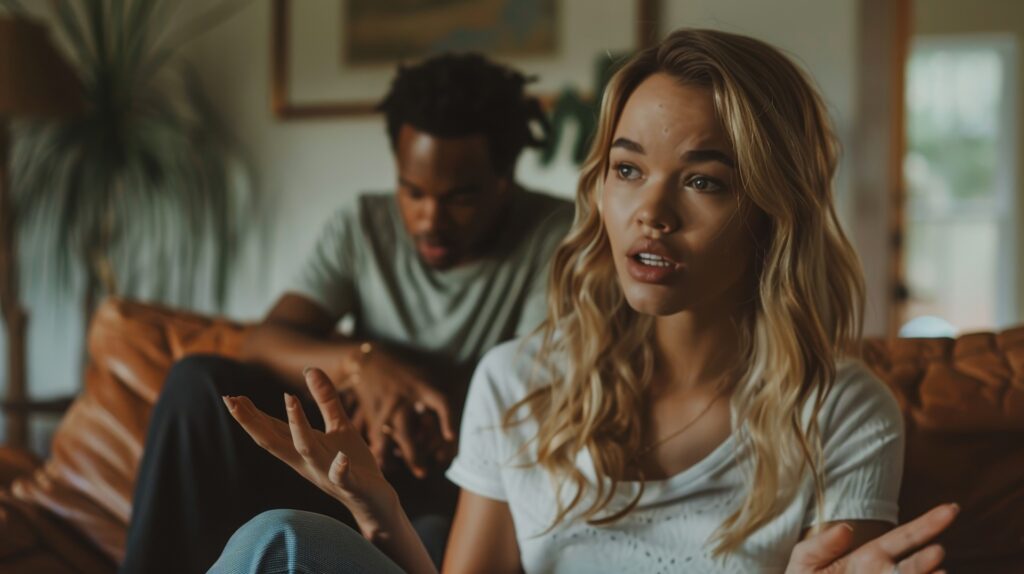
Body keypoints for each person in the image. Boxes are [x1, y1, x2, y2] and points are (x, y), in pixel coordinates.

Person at [211, 29, 958, 574]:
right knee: (282, 538)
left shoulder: (844, 413)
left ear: (773, 208)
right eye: (628, 169)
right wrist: (382, 515)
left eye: (704, 180)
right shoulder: (517, 381)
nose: (651, 212)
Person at [119, 53, 573, 574]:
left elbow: (539, 382)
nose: (430, 219)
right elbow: (263, 341)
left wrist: (419, 401)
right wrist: (365, 364)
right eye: (413, 191)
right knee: (197, 383)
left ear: (503, 181)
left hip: (460, 480)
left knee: (433, 537)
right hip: (349, 460)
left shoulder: (555, 235)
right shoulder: (362, 225)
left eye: (460, 198)